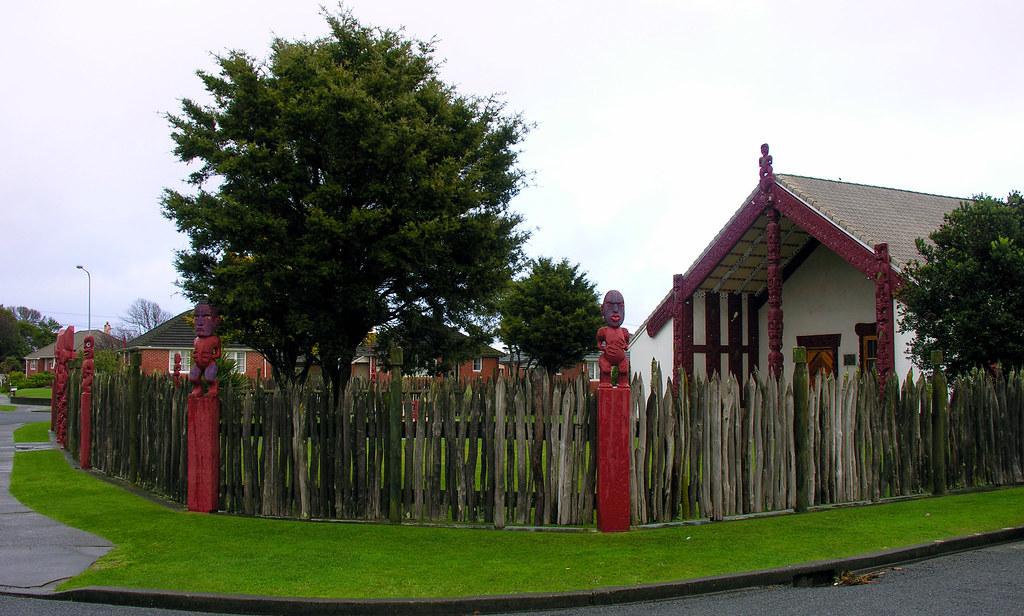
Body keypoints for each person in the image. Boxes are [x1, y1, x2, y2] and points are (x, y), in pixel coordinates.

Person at [597, 290, 629, 388]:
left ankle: (623, 384)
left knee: (624, 370)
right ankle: (605, 383)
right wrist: (604, 348)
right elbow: (599, 343)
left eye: (620, 306)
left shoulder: (624, 331)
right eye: (610, 306)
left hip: (621, 359)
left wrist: (625, 346)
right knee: (605, 370)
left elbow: (627, 344)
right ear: (603, 309)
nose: (615, 310)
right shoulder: (603, 331)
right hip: (607, 358)